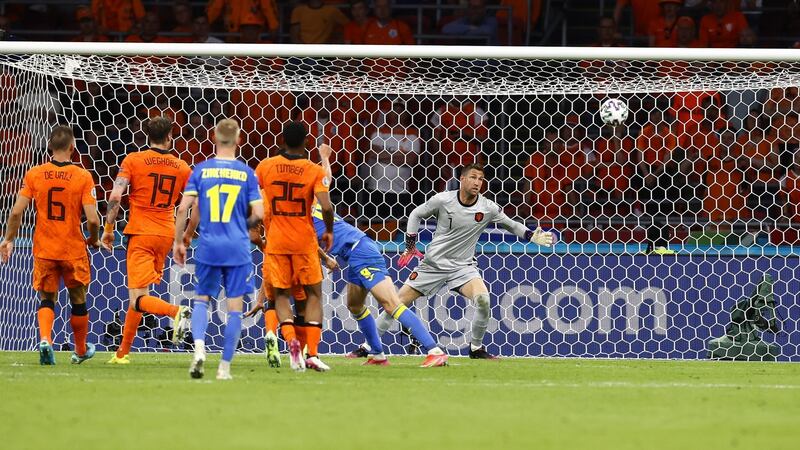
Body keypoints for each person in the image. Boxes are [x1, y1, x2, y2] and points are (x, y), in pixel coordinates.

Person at [268, 144, 448, 367]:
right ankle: (378, 354)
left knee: (391, 303)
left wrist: (325, 259)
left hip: (360, 250)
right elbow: (326, 178)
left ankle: (434, 350)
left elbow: (309, 241)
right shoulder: (313, 201)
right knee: (354, 305)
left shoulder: (299, 214)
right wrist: (325, 157)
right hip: (353, 254)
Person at [377, 163, 554, 359]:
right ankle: (369, 346)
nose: (477, 182)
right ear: (462, 179)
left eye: (481, 179)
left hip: (463, 267)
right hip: (433, 265)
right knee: (395, 302)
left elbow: (511, 225)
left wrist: (531, 236)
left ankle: (476, 348)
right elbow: (415, 214)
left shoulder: (487, 207)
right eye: (473, 177)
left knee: (483, 300)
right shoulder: (443, 200)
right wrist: (410, 245)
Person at [0, 126, 101, 365]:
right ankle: (79, 350)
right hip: (72, 248)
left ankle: (45, 339)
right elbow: (94, 219)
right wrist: (94, 238)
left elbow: (16, 212)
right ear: (72, 148)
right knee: (78, 298)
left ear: (49, 147)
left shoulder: (34, 174)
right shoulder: (83, 176)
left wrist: (8, 239)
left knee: (47, 298)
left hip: (45, 248)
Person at [173, 119, 263, 380]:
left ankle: (199, 348)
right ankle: (224, 367)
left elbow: (183, 208)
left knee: (202, 298)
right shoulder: (247, 173)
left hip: (209, 245)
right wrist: (240, 224)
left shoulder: (201, 170)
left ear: (213, 137)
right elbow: (259, 213)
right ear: (239, 139)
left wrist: (180, 240)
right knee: (234, 307)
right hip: (236, 246)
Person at [102, 116, 193, 364]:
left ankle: (177, 312)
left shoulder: (133, 160)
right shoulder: (182, 167)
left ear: (147, 135)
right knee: (139, 297)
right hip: (165, 233)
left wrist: (109, 228)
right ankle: (122, 353)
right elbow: (195, 203)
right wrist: (185, 235)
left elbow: (116, 195)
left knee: (137, 298)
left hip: (141, 233)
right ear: (170, 136)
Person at [255, 121, 334, 372]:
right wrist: (329, 231)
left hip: (276, 241)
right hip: (304, 243)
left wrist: (254, 228)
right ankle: (312, 353)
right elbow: (327, 206)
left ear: (281, 140)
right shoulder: (312, 170)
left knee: (279, 295)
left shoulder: (265, 167)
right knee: (312, 296)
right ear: (306, 142)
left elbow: (256, 202)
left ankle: (290, 341)